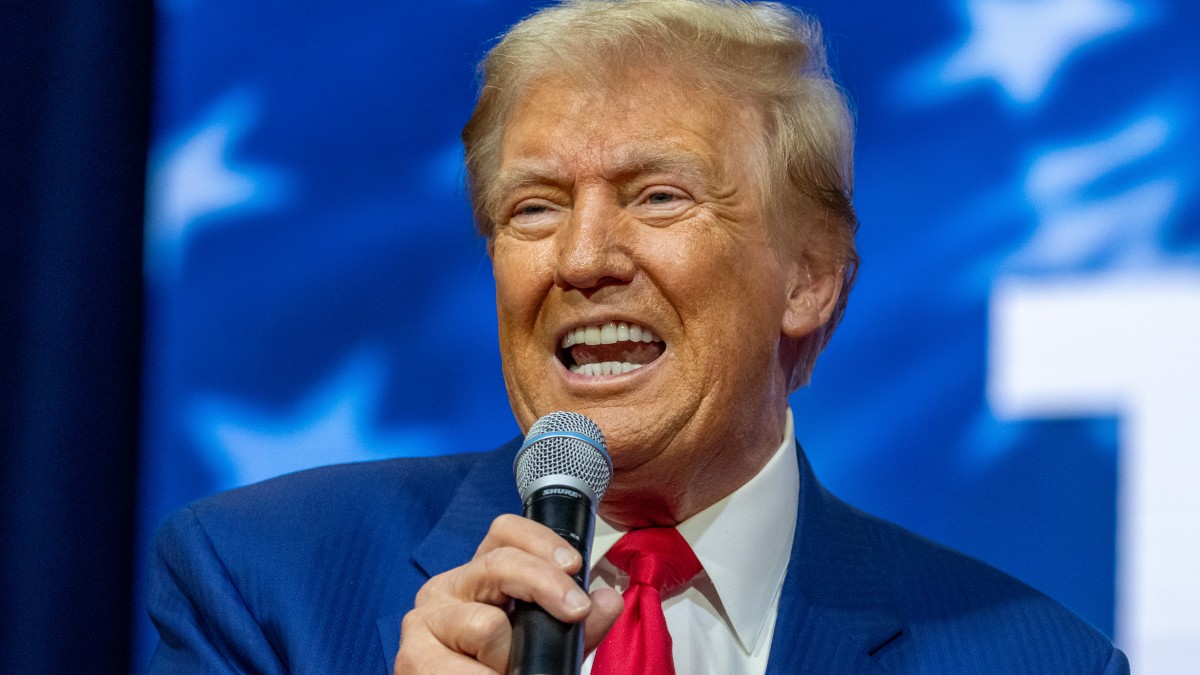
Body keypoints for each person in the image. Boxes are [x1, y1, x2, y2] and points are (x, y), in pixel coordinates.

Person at [147, 1, 1129, 673]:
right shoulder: (263, 587)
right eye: (532, 208)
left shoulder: (1031, 659)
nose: (581, 259)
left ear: (811, 278)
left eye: (658, 196)